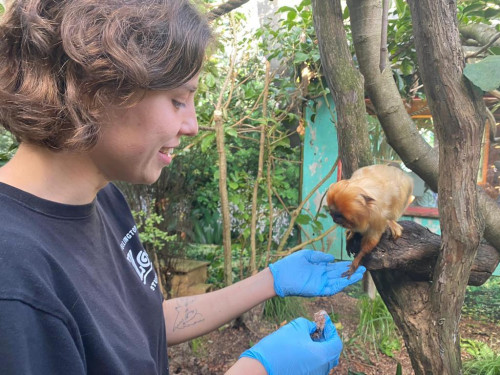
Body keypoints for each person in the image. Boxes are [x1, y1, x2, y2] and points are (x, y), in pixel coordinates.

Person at [0, 0, 366, 374]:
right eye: (177, 100)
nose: (192, 124)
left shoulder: (102, 197)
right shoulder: (14, 281)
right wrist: (255, 371)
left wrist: (269, 281)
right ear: (96, 90)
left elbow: (139, 325)